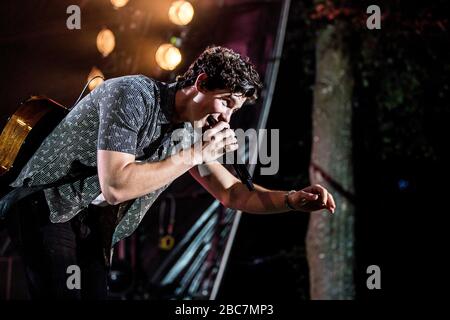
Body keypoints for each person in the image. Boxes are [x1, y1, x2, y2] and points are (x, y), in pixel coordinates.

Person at [4, 46, 335, 300]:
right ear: (201, 83)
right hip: (46, 203)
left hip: (91, 224)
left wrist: (291, 199)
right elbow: (117, 184)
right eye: (227, 102)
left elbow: (234, 194)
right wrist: (195, 154)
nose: (227, 120)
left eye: (235, 109)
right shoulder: (133, 95)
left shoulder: (188, 134)